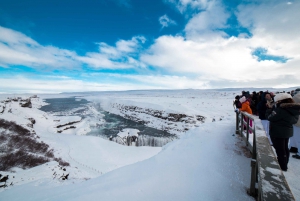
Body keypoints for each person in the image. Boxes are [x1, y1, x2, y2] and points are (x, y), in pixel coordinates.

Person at [266, 93, 300, 171]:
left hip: (278, 132)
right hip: (287, 131)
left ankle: (282, 166)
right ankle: (284, 164)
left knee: (280, 149)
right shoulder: (293, 108)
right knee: (284, 148)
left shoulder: (280, 110)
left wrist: (269, 109)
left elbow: (270, 117)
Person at [291, 93, 300, 159]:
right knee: (294, 136)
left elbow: (292, 102)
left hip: (297, 120)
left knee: (297, 137)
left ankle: (298, 151)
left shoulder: (297, 96)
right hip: (296, 120)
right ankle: (294, 147)